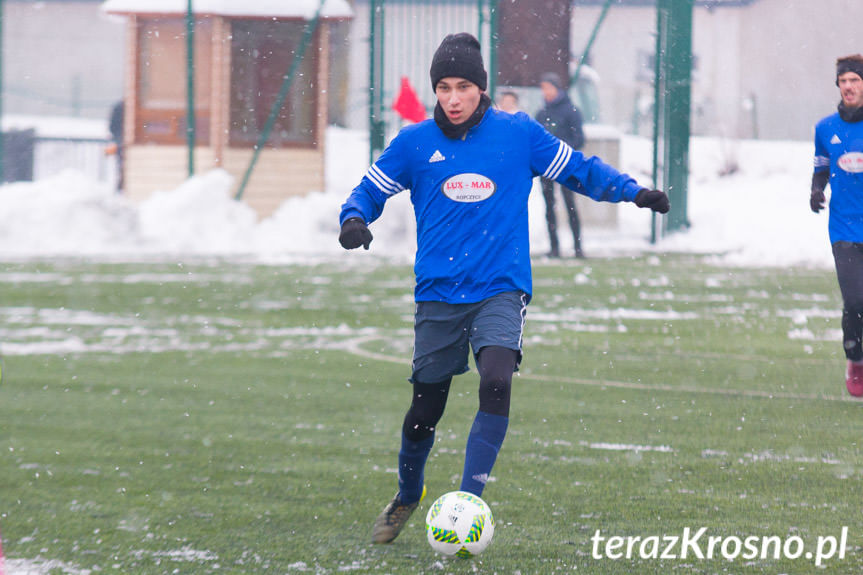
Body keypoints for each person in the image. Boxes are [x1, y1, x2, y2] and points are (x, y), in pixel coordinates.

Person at [338, 32, 669, 544]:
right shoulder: (414, 143)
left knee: (496, 380)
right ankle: (408, 494)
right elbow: (368, 188)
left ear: (481, 89)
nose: (452, 98)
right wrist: (355, 218)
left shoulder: (519, 134)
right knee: (425, 411)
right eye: (444, 87)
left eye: (463, 86)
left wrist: (634, 191)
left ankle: (468, 504)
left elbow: (578, 169)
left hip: (500, 287)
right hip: (439, 292)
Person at [811, 54, 863, 397]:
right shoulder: (825, 128)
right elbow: (822, 165)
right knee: (856, 301)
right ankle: (856, 359)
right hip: (844, 229)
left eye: (854, 80)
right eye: (843, 81)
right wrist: (816, 189)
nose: (848, 86)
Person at [536, 72, 586, 258]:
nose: (545, 92)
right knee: (549, 207)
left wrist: (561, 154)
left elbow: (579, 139)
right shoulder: (541, 113)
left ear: (556, 89)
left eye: (547, 88)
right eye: (543, 88)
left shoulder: (571, 111)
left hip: (566, 168)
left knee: (570, 205)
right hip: (546, 169)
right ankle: (554, 247)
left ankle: (578, 248)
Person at [108, 101, 125, 193]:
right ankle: (121, 188)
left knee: (121, 167)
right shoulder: (132, 106)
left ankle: (120, 188)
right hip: (123, 142)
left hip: (120, 142)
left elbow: (112, 127)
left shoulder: (119, 107)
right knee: (124, 167)